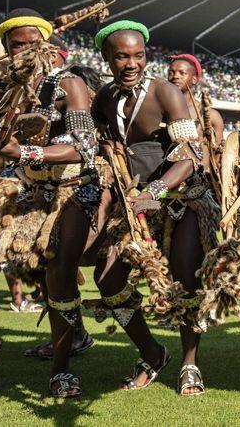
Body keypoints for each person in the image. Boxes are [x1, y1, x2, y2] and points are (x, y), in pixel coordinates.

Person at [0, 9, 100, 397]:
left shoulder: (69, 84)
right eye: (17, 45)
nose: (26, 50)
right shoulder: (4, 91)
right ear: (7, 49)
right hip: (24, 190)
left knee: (57, 271)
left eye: (33, 43)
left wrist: (24, 152)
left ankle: (62, 366)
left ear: (47, 45)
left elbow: (84, 147)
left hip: (71, 190)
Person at [90, 20, 219, 396]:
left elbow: (191, 156)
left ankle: (190, 362)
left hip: (181, 202)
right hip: (133, 206)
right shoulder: (103, 100)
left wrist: (157, 189)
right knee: (109, 279)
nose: (131, 64)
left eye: (139, 56)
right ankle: (152, 351)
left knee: (183, 280)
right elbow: (104, 151)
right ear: (107, 58)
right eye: (122, 56)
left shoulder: (166, 93)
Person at [166, 53, 224, 168]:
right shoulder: (160, 110)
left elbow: (217, 154)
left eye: (182, 73)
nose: (175, 76)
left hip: (196, 180)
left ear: (194, 79)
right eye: (171, 73)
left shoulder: (211, 116)